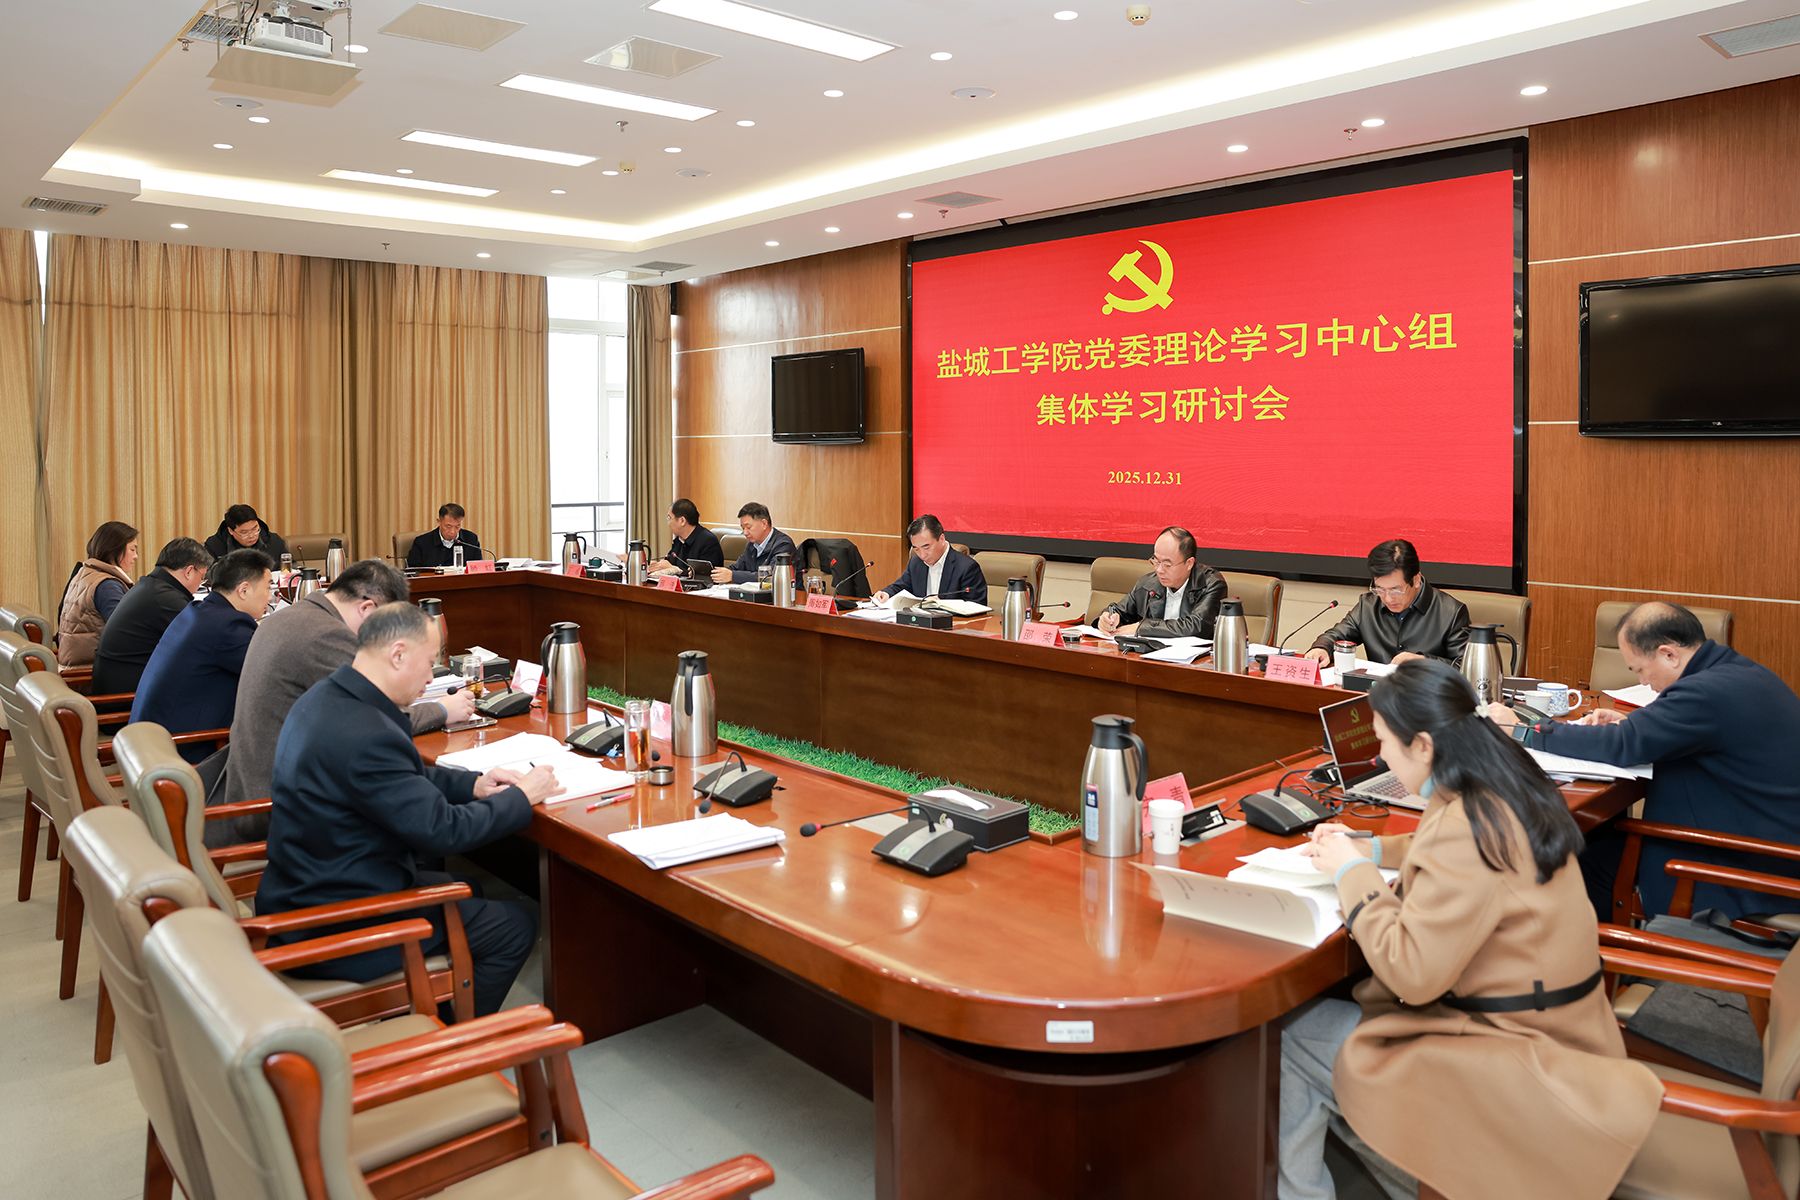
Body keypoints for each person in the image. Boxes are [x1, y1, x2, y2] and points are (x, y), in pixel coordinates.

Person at [1280, 659, 1660, 1200]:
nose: (1378, 756)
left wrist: (1351, 873)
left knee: (1296, 1033)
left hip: (1520, 1063)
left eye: (1384, 741)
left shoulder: (1468, 822)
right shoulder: (1503, 780)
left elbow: (1413, 975)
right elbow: (1440, 843)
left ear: (1423, 746)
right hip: (1563, 1029)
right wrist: (1370, 849)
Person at [256, 603, 562, 1016]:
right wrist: (521, 797)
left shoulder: (327, 697)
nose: (431, 677)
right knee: (515, 926)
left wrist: (473, 784)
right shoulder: (367, 732)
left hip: (306, 887)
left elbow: (402, 778)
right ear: (398, 654)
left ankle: (432, 1006)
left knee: (466, 887)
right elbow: (445, 831)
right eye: (430, 662)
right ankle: (446, 1041)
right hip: (336, 921)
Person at [1486, 601, 1800, 921]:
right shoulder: (1736, 672)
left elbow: (1623, 745)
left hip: (1745, 865)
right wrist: (1634, 723)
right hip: (1759, 838)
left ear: (1669, 654)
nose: (1644, 683)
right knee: (1595, 842)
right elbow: (1684, 730)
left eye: (1639, 670)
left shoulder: (1705, 693)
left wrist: (1525, 731)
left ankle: (1607, 951)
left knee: (1574, 863)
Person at [209, 558, 476, 822]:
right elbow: (381, 718)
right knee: (415, 806)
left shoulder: (294, 615)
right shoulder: (327, 635)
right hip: (275, 806)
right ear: (367, 609)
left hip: (246, 783)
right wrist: (442, 710)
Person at [128, 549, 273, 764]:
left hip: (147, 742)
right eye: (268, 587)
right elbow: (271, 673)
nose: (270, 596)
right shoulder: (228, 627)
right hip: (181, 752)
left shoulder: (199, 611)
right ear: (243, 590)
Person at [1305, 539, 1470, 667]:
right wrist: (1322, 647)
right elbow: (1337, 634)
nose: (1388, 599)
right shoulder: (1368, 605)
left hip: (1427, 696)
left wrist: (1423, 662)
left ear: (1416, 580)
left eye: (1395, 590)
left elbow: (1467, 670)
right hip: (1378, 694)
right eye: (1380, 589)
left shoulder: (1451, 612)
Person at [91, 538, 213, 695]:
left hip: (122, 682)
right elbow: (204, 643)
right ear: (189, 571)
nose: (200, 583)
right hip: (126, 695)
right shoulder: (166, 599)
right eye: (202, 577)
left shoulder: (151, 586)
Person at [1095, 526, 1226, 638]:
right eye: (1156, 561)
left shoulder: (1211, 584)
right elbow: (1120, 611)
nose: (1159, 570)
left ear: (1189, 563)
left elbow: (1196, 627)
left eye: (1167, 565)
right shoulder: (1147, 584)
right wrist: (1108, 617)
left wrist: (1142, 627)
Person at [56, 521, 139, 667]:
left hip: (75, 665)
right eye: (132, 549)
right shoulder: (107, 586)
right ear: (115, 549)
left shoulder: (85, 573)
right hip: (89, 672)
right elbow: (126, 634)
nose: (136, 556)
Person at [872, 515, 987, 606]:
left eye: (926, 547)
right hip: (920, 624)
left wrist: (942, 604)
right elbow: (901, 586)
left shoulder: (966, 567)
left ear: (941, 539)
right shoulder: (916, 563)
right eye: (916, 549)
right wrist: (886, 593)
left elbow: (977, 607)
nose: (922, 555)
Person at [712, 502, 798, 585]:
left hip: (788, 594)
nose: (745, 533)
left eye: (748, 527)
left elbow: (771, 577)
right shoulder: (752, 544)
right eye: (743, 528)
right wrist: (720, 573)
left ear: (764, 524)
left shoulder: (783, 545)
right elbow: (737, 567)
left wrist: (733, 576)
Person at [649, 498, 724, 575]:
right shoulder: (679, 540)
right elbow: (669, 562)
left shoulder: (708, 541)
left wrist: (673, 569)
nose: (668, 523)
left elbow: (704, 575)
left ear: (682, 521)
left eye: (669, 518)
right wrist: (658, 566)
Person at [203, 503, 288, 561]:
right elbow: (208, 575)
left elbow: (290, 568)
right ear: (231, 531)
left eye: (255, 529)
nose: (252, 536)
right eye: (244, 532)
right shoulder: (214, 546)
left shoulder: (274, 541)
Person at [407, 503, 481, 568]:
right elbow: (413, 572)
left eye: (457, 526)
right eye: (448, 526)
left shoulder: (471, 540)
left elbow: (478, 569)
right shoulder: (422, 543)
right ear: (439, 521)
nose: (452, 531)